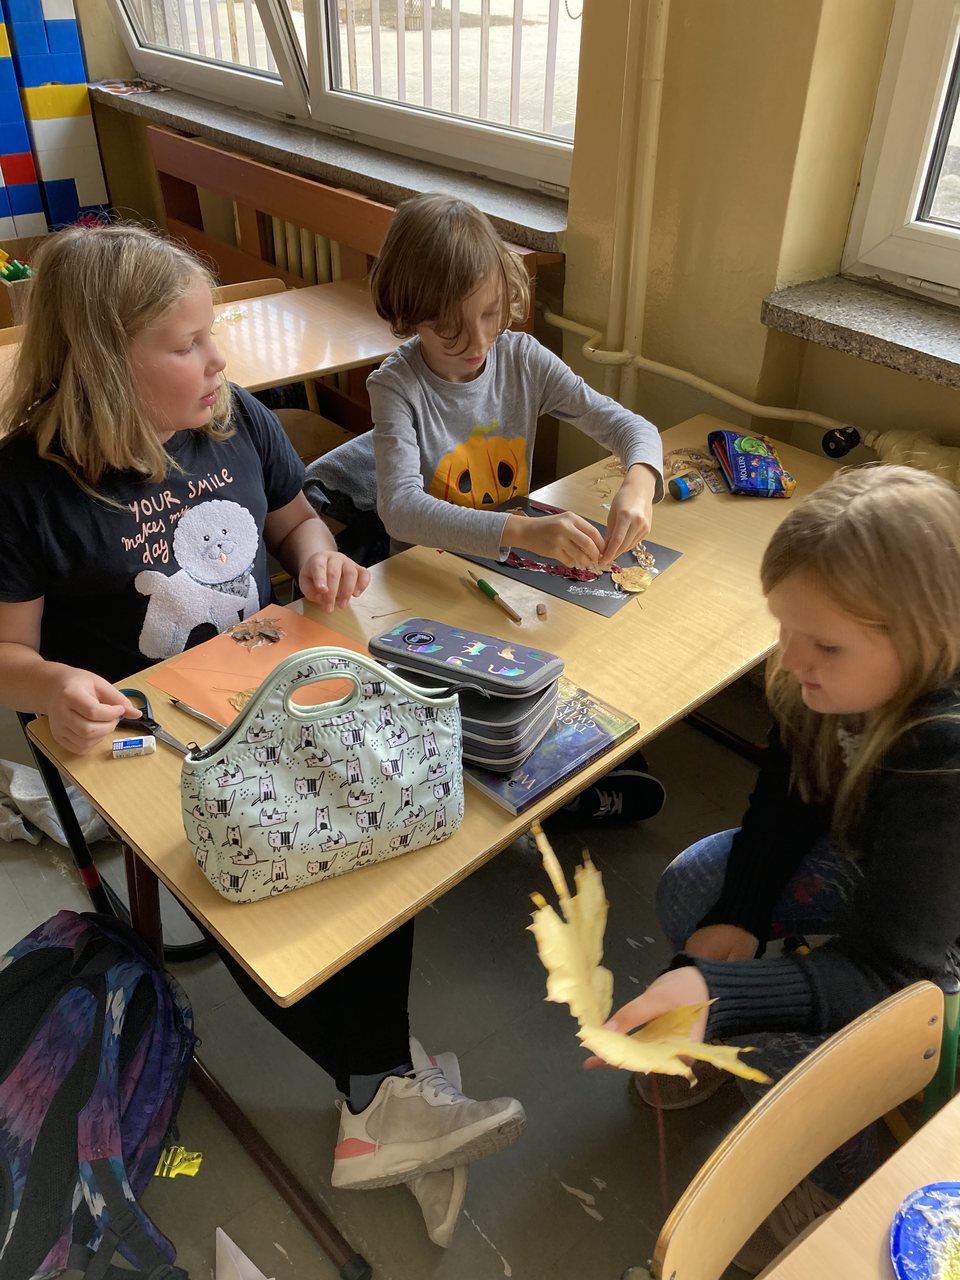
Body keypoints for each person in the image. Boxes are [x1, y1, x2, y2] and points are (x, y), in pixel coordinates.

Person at [0, 223, 525, 1243]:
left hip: (265, 694)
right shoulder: (25, 486)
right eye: (189, 343)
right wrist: (53, 681)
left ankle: (379, 1098)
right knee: (260, 874)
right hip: (143, 742)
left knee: (373, 826)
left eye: (214, 334)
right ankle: (384, 1092)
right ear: (104, 363)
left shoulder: (235, 418)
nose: (220, 359)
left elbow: (295, 521)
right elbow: (7, 655)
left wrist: (321, 554)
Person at [586, 463, 960, 1273]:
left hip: (936, 947)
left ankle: (834, 1186)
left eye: (823, 645)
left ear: (924, 636)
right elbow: (789, 795)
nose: (790, 659)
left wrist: (723, 996)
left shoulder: (945, 753)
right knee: (697, 887)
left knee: (808, 1047)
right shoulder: (827, 673)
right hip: (878, 864)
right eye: (785, 627)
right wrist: (741, 915)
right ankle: (736, 1046)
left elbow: (895, 973)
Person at [308, 191, 666, 821]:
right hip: (429, 591)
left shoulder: (522, 359)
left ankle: (572, 776)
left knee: (571, 663)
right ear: (410, 315)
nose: (477, 342)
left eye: (491, 314)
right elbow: (400, 511)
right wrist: (521, 531)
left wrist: (640, 481)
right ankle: (549, 794)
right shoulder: (396, 385)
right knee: (478, 712)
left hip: (509, 580)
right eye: (451, 328)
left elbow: (632, 428)